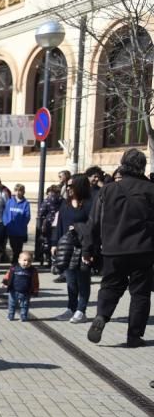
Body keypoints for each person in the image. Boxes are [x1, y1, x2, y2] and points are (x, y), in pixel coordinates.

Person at [84, 149, 154, 348]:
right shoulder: (150, 190)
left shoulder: (108, 190)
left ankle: (101, 316)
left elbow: (94, 222)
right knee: (140, 294)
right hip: (143, 249)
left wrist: (88, 250)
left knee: (110, 287)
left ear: (123, 164)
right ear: (142, 166)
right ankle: (134, 336)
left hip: (113, 249)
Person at [51, 174, 92, 323]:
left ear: (79, 186)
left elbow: (92, 227)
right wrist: (55, 243)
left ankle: (81, 310)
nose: (68, 189)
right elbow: (59, 225)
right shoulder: (65, 204)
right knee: (70, 281)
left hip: (83, 248)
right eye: (67, 186)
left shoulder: (89, 204)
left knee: (82, 280)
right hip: (67, 248)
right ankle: (71, 308)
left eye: (71, 186)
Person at [2, 251, 39, 322]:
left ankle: (23, 316)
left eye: (29, 261)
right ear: (19, 260)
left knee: (24, 305)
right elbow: (8, 275)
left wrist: (35, 290)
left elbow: (35, 281)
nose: (26, 263)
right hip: (13, 290)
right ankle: (10, 316)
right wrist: (5, 282)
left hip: (26, 291)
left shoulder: (33, 270)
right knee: (11, 304)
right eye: (24, 260)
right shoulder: (14, 268)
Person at [1, 184, 31, 265]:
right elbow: (5, 213)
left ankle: (15, 261)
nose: (18, 192)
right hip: (11, 229)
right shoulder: (10, 201)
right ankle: (16, 259)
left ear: (23, 192)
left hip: (20, 230)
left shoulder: (26, 203)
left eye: (20, 191)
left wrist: (22, 224)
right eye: (16, 190)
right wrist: (6, 223)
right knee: (13, 246)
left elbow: (27, 216)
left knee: (18, 247)